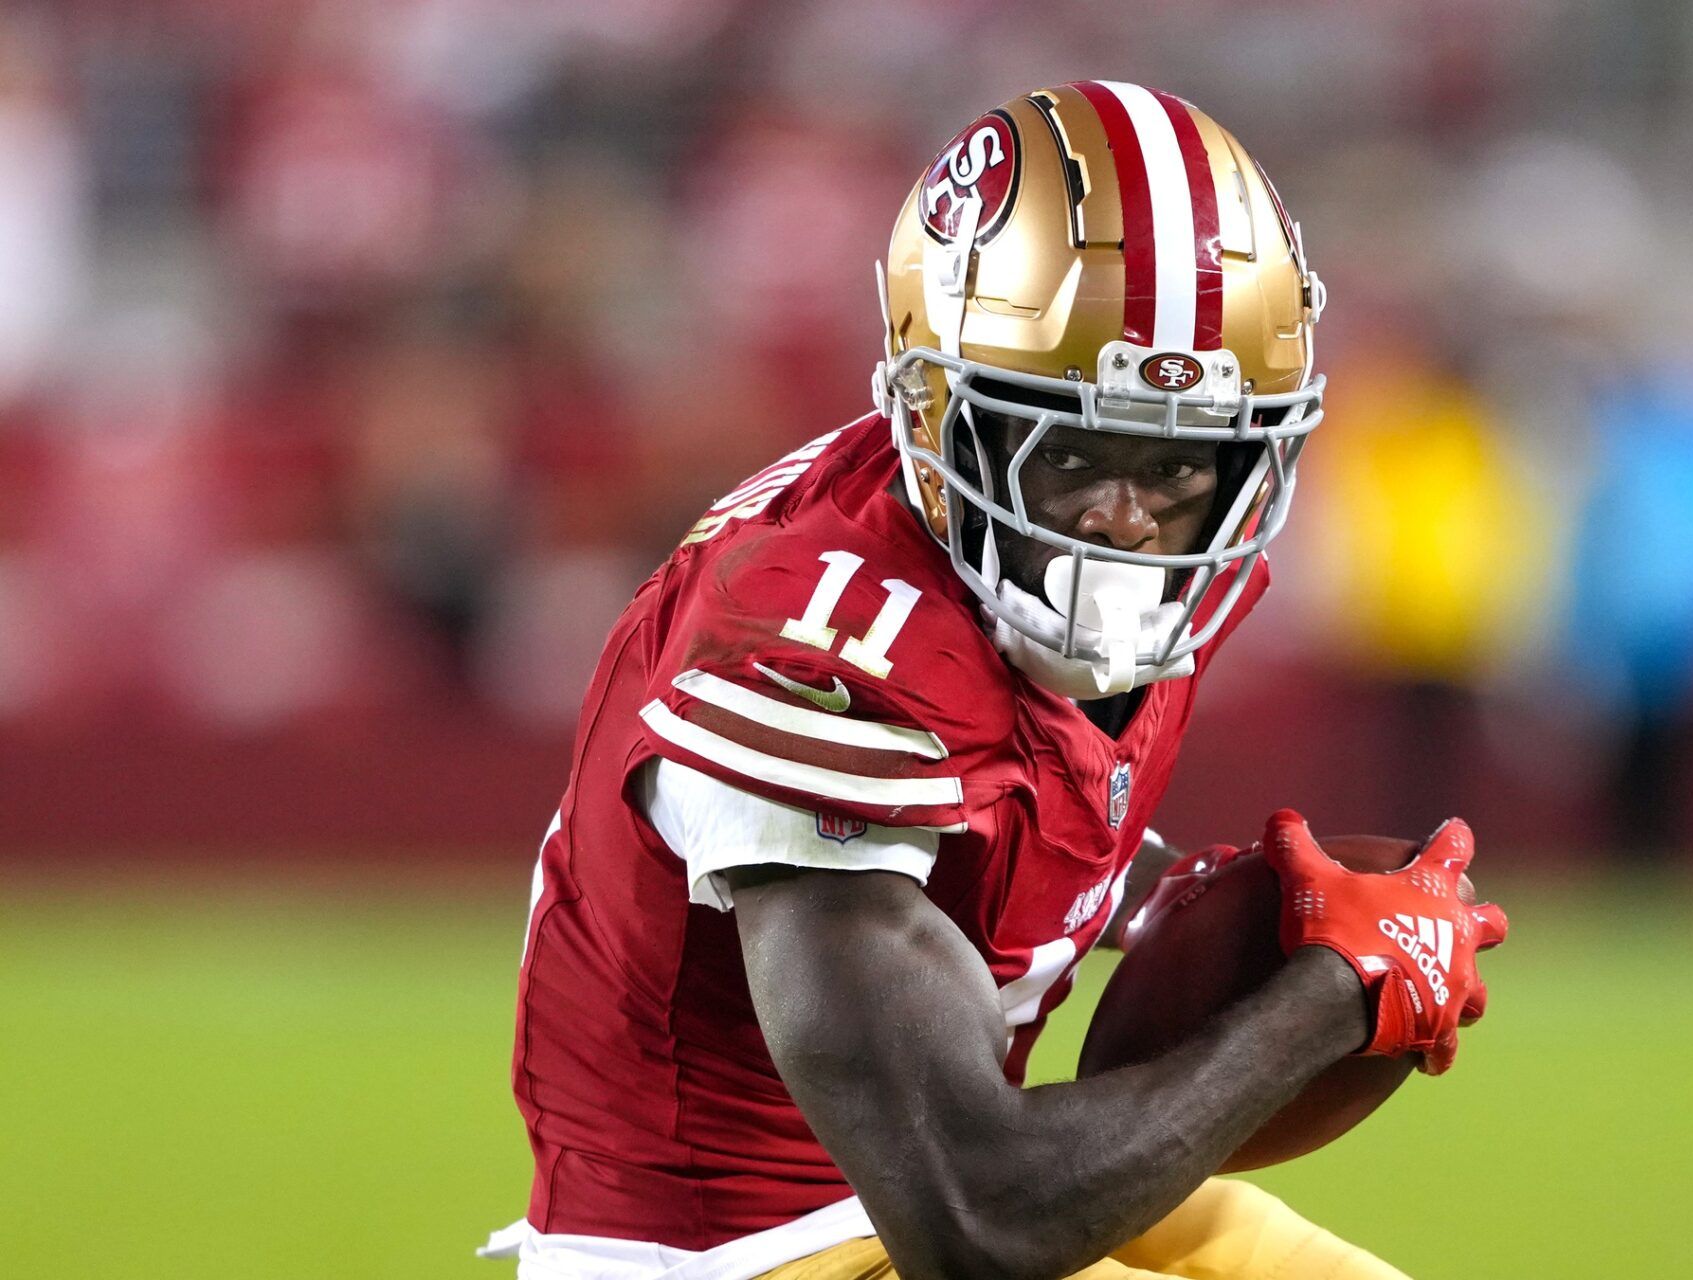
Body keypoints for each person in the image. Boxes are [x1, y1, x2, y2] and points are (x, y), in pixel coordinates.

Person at [482, 82, 1506, 1280]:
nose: (1128, 524)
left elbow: (994, 812)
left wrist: (1181, 902)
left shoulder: (1061, 566)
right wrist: (1334, 992)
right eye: (1073, 452)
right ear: (939, 415)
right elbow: (974, 1219)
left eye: (1180, 466)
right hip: (741, 1243)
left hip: (911, 1190)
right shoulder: (822, 649)